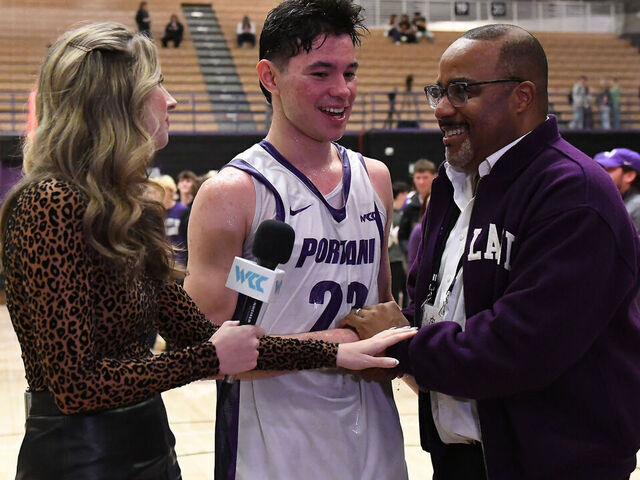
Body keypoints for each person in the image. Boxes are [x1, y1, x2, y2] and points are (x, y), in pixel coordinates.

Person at [0, 22, 417, 480]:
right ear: (115, 101)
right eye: (157, 84)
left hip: (150, 446)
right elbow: (76, 386)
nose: (171, 100)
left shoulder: (131, 210)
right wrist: (208, 359)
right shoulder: (50, 203)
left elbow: (203, 335)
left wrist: (336, 355)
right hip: (77, 459)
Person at [345, 24, 640, 480]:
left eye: (462, 91)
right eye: (438, 92)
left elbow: (522, 346)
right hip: (463, 460)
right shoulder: (453, 185)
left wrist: (403, 343)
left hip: (558, 466)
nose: (442, 109)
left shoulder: (574, 193)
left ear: (522, 96)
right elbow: (439, 310)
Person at [184, 1, 409, 479]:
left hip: (375, 438)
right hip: (273, 448)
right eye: (321, 72)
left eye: (350, 72)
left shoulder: (376, 178)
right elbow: (204, 352)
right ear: (269, 76)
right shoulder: (233, 192)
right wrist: (338, 344)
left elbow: (381, 310)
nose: (342, 90)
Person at [594, 148, 640, 234]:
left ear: (629, 176)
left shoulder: (637, 205)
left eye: (609, 169)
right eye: (601, 168)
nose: (602, 173)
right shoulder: (605, 200)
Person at [398, 158, 436, 254]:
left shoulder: (443, 201)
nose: (421, 182)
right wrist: (411, 252)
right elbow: (402, 236)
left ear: (434, 177)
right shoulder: (409, 205)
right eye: (418, 178)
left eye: (425, 177)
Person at [390, 181, 409, 307]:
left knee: (407, 291)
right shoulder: (390, 211)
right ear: (401, 194)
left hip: (404, 257)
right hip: (393, 258)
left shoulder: (406, 211)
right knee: (394, 291)